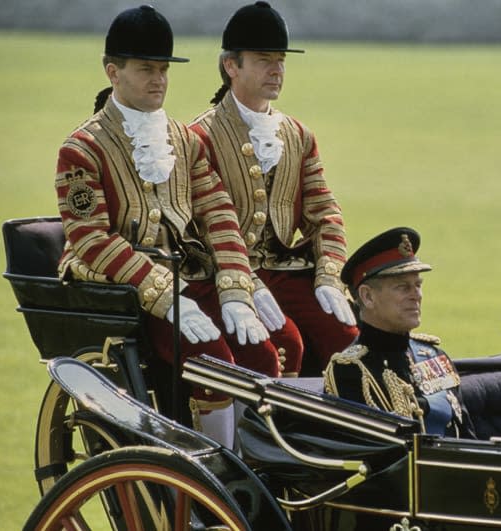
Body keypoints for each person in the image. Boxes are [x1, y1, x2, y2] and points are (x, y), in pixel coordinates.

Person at [54, 5, 279, 446]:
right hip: (126, 290)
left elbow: (219, 216)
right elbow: (91, 240)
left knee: (264, 354)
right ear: (112, 72)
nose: (158, 79)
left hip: (191, 278)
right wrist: (166, 297)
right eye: (145, 69)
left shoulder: (186, 140)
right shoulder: (81, 149)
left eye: (163, 69)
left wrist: (235, 291)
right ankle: (213, 476)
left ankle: (261, 467)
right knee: (212, 366)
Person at [190, 1, 358, 376]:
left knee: (349, 338)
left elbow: (325, 213)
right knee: (285, 344)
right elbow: (199, 229)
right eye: (264, 60)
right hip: (223, 274)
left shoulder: (299, 135)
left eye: (281, 60)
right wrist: (243, 282)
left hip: (285, 270)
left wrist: (329, 275)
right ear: (231, 66)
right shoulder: (199, 138)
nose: (277, 70)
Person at [323, 227, 472, 437]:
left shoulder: (434, 356)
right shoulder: (350, 370)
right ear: (367, 297)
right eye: (403, 287)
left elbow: (466, 436)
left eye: (418, 285)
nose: (416, 296)